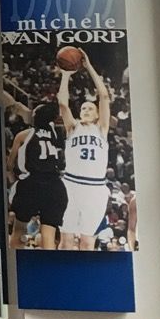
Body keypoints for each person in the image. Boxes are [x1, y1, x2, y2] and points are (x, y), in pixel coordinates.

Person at [57, 54, 112, 250]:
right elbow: (63, 103)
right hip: (70, 185)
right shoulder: (72, 127)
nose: (86, 110)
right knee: (66, 241)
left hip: (95, 189)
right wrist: (65, 75)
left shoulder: (102, 129)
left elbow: (104, 96)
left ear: (98, 114)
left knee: (88, 241)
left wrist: (89, 67)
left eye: (90, 108)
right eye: (83, 108)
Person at [7, 101, 67, 249]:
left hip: (31, 184)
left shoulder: (23, 135)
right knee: (48, 237)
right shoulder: (54, 132)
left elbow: (9, 165)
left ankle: (16, 262)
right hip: (55, 186)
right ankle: (50, 268)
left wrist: (14, 180)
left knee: (19, 230)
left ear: (35, 117)